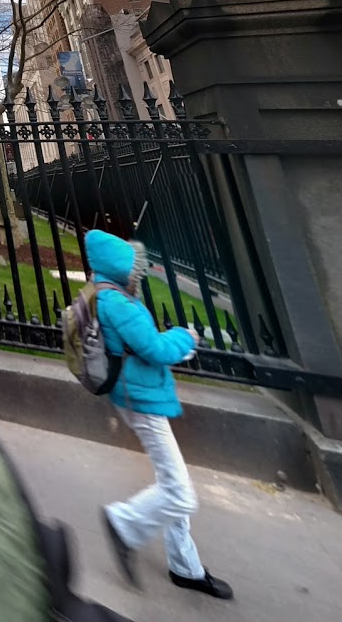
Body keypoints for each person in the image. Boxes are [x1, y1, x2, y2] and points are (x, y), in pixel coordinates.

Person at [89, 228, 233, 602]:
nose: (141, 273)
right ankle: (124, 523)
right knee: (181, 495)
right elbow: (154, 349)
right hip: (142, 400)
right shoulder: (118, 303)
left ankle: (186, 567)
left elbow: (140, 347)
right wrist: (186, 337)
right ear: (122, 268)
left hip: (136, 394)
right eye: (136, 268)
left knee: (171, 479)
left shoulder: (105, 292)